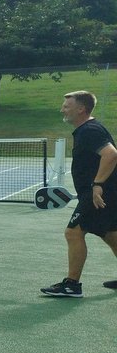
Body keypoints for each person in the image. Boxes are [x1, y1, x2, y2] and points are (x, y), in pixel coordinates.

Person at [41, 91, 117, 297]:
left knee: (73, 233)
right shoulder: (87, 129)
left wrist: (97, 185)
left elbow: (111, 154)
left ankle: (71, 285)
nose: (62, 110)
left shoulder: (89, 130)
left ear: (81, 109)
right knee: (110, 234)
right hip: (102, 193)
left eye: (67, 106)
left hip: (98, 194)